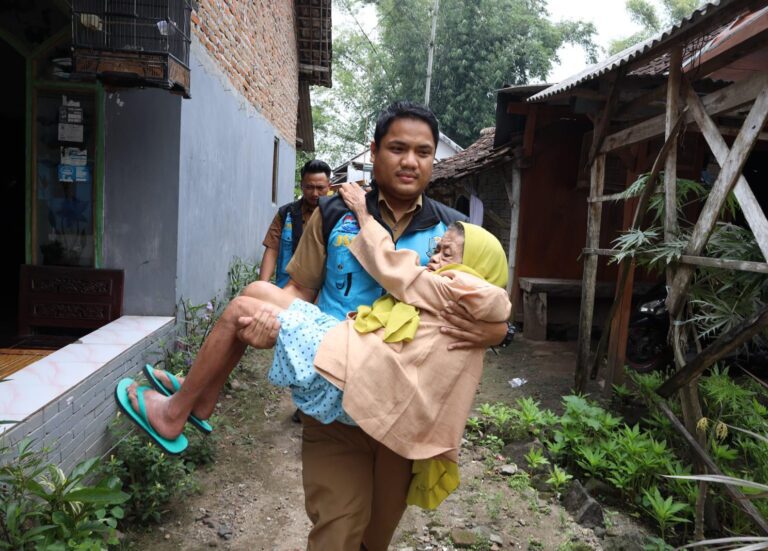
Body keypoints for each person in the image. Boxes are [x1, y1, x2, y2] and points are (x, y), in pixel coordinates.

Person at [254, 101, 511, 549]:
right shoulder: (333, 215)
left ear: (435, 159)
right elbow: (299, 291)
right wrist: (266, 316)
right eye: (397, 148)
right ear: (373, 152)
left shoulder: (457, 234)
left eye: (424, 152)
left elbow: (489, 306)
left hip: (405, 415)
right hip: (333, 400)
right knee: (337, 529)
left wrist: (499, 331)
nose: (410, 161)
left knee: (378, 536)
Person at [259, 159, 331, 287]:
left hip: (324, 290)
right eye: (309, 187)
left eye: (320, 188)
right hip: (287, 287)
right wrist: (262, 286)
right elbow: (272, 249)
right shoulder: (286, 213)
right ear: (301, 185)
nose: (315, 193)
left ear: (329, 186)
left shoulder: (337, 215)